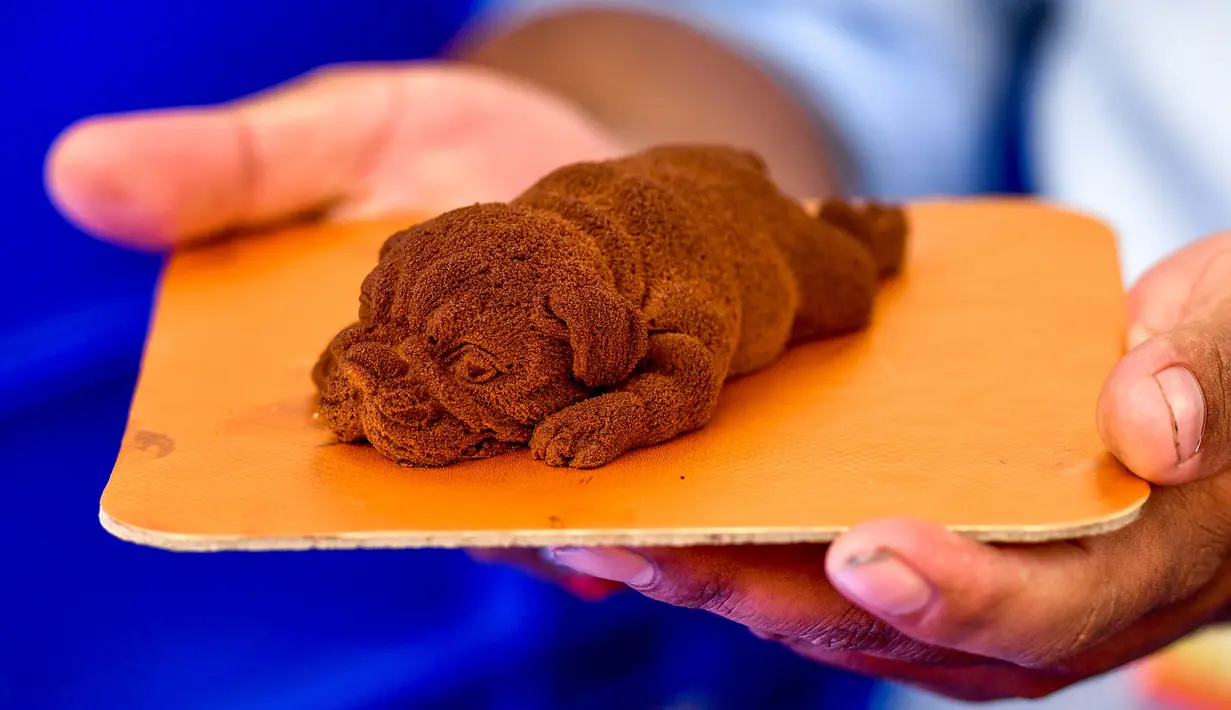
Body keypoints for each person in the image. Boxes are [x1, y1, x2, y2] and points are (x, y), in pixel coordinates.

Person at [44, 0, 1231, 705]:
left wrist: (612, 416)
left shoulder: (669, 330)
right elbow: (817, 20)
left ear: (597, 341)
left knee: (844, 271)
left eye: (472, 372)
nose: (389, 375)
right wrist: (617, 103)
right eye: (385, 329)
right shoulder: (500, 274)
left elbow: (683, 372)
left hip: (815, 254)